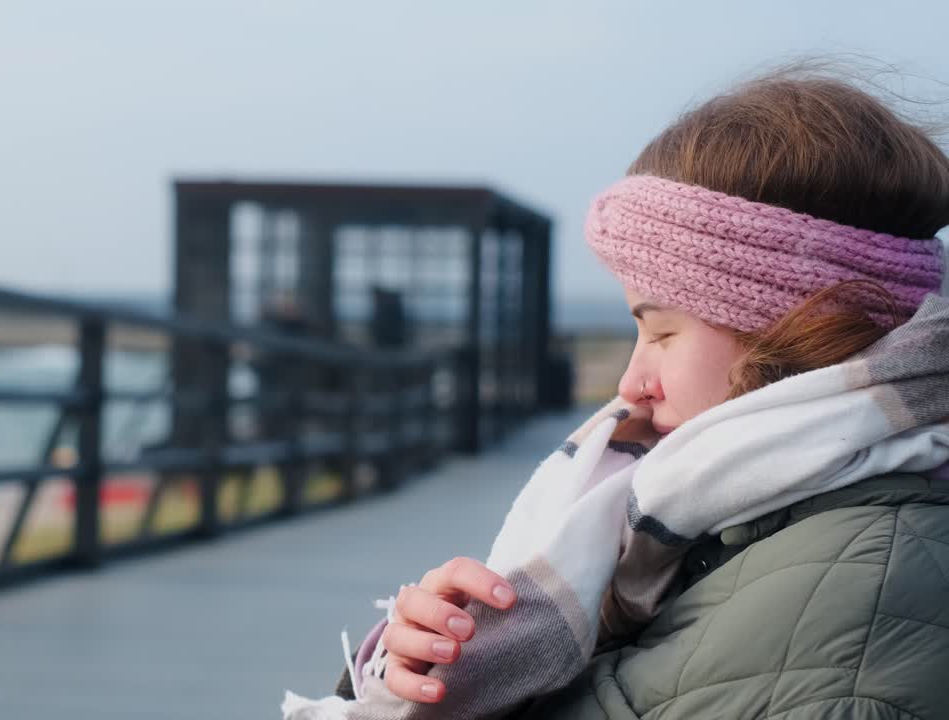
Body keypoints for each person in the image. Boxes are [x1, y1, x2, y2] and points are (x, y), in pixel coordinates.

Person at [285, 62, 949, 719]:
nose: (630, 386)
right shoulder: (701, 534)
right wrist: (413, 670)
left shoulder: (858, 604)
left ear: (808, 327)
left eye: (661, 332)